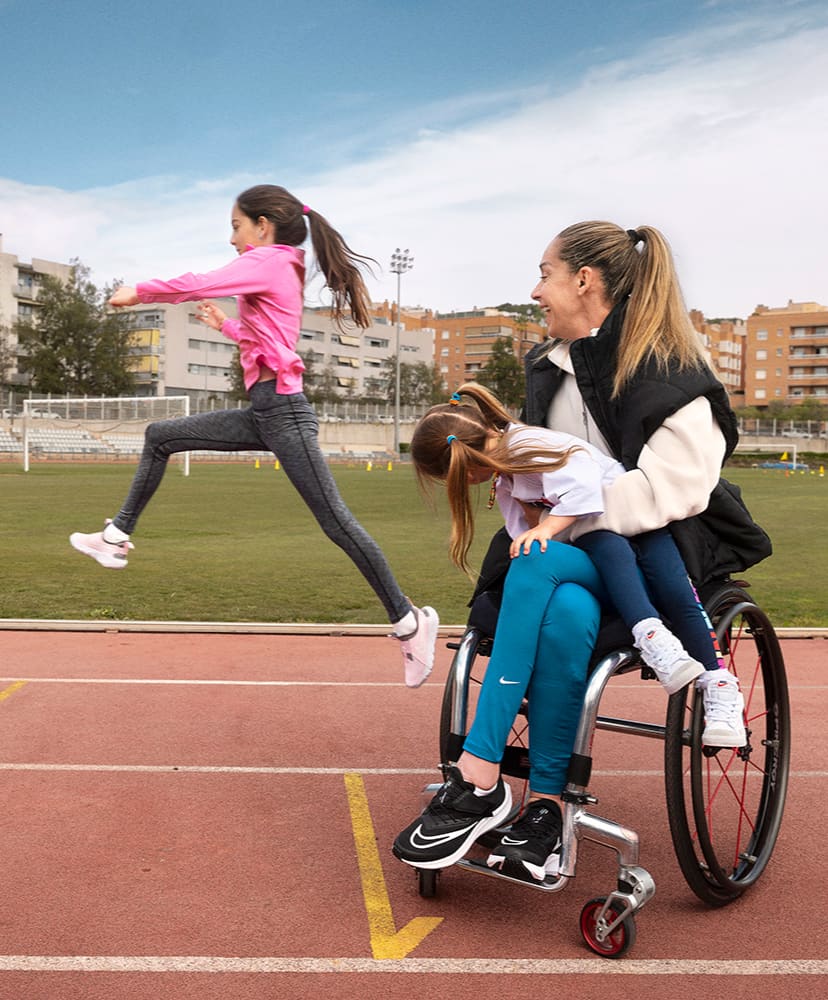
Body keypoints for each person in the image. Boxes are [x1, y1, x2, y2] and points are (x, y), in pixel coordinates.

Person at [393, 221, 769, 883]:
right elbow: (531, 486)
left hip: (656, 555)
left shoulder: (676, 373)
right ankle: (540, 808)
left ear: (585, 281)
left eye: (545, 274)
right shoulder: (550, 370)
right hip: (574, 555)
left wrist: (556, 522)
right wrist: (539, 517)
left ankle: (481, 777)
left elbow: (666, 495)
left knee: (537, 570)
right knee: (559, 610)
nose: (536, 290)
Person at [69, 184, 438, 687]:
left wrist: (142, 290)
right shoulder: (279, 267)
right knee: (160, 435)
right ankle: (114, 538)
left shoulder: (271, 260)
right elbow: (264, 337)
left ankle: (410, 622)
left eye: (236, 226)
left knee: (337, 524)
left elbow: (204, 280)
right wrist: (225, 325)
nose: (232, 238)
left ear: (263, 226)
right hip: (263, 411)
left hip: (284, 414)